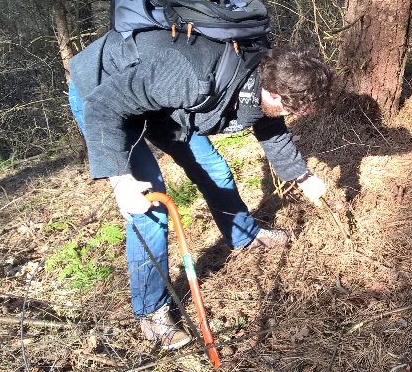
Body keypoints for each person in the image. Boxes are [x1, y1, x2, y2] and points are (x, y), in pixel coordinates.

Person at [68, 27, 332, 349]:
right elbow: (105, 106)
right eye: (290, 110)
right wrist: (120, 180)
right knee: (152, 203)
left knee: (215, 169)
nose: (288, 116)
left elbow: (270, 127)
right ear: (274, 94)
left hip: (162, 100)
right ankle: (152, 312)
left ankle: (243, 234)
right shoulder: (191, 76)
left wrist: (302, 177)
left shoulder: (260, 74)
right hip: (103, 94)